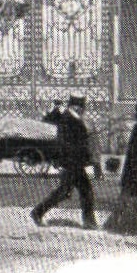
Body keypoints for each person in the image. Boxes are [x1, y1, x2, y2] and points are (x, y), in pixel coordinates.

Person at [31, 94, 96, 229]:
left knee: (76, 191)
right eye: (82, 107)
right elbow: (66, 143)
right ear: (76, 106)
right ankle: (37, 212)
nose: (83, 110)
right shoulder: (69, 119)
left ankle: (89, 222)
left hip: (74, 162)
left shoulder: (70, 117)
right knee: (73, 191)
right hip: (72, 161)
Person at [105, 99, 137, 242]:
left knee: (126, 199)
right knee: (133, 199)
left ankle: (114, 225)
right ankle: (120, 226)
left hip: (134, 170)